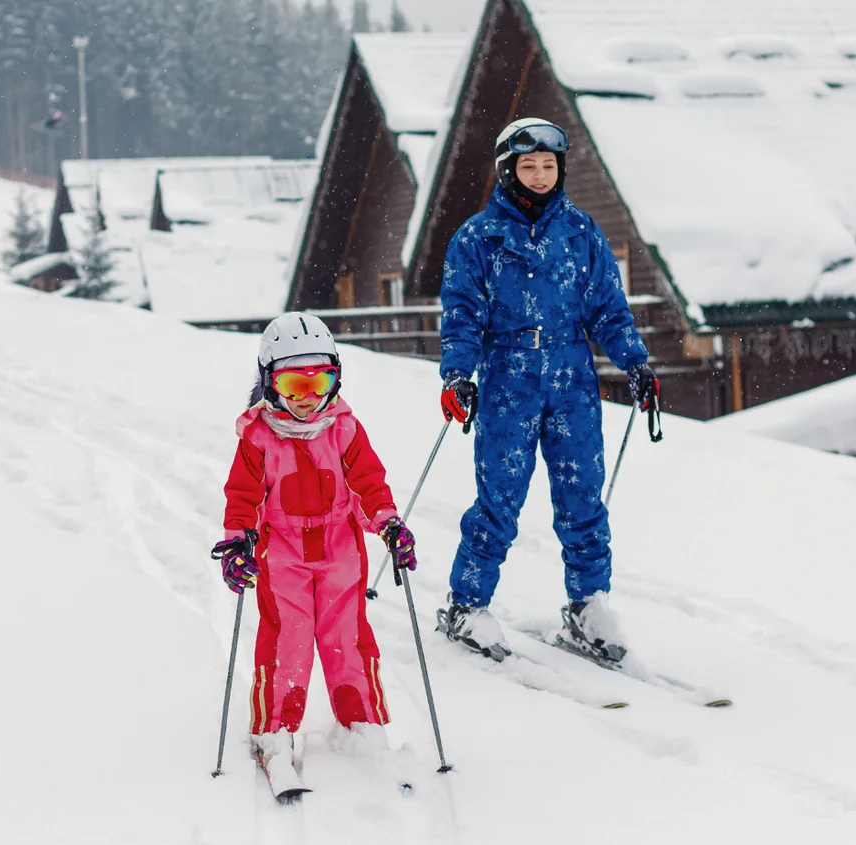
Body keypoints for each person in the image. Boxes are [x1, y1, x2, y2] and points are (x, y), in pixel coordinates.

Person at [435, 118, 659, 664]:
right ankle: (467, 603)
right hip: (508, 376)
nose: (539, 175)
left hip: (572, 378)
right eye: (528, 166)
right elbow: (461, 316)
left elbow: (608, 307)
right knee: (500, 500)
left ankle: (588, 605)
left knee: (582, 497)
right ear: (508, 170)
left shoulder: (581, 233)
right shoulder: (478, 238)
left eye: (549, 166)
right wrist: (458, 375)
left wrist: (636, 363)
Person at [213, 312, 418, 777]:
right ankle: (275, 729)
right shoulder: (258, 436)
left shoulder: (344, 428)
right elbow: (242, 497)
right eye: (293, 384)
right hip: (282, 555)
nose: (308, 399)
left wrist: (388, 524)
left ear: (336, 376)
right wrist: (238, 544)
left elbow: (369, 483)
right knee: (289, 641)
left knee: (348, 641)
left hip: (340, 553)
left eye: (320, 381)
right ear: (270, 382)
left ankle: (362, 724)